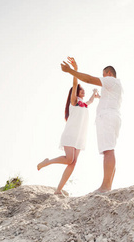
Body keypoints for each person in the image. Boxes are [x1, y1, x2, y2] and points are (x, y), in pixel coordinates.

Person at [37, 57, 99, 195]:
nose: (82, 91)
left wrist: (95, 94)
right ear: (75, 92)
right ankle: (48, 161)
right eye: (80, 90)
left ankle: (58, 190)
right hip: (70, 134)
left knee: (73, 163)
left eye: (83, 90)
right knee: (69, 159)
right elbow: (75, 83)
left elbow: (90, 100)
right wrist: (75, 71)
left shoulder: (83, 104)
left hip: (79, 137)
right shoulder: (74, 102)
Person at [61, 58, 123, 193]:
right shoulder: (116, 87)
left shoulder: (110, 80)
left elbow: (89, 79)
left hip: (107, 118)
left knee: (108, 151)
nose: (102, 78)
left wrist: (70, 71)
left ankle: (105, 186)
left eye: (103, 74)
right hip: (112, 117)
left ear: (108, 73)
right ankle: (108, 186)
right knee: (109, 149)